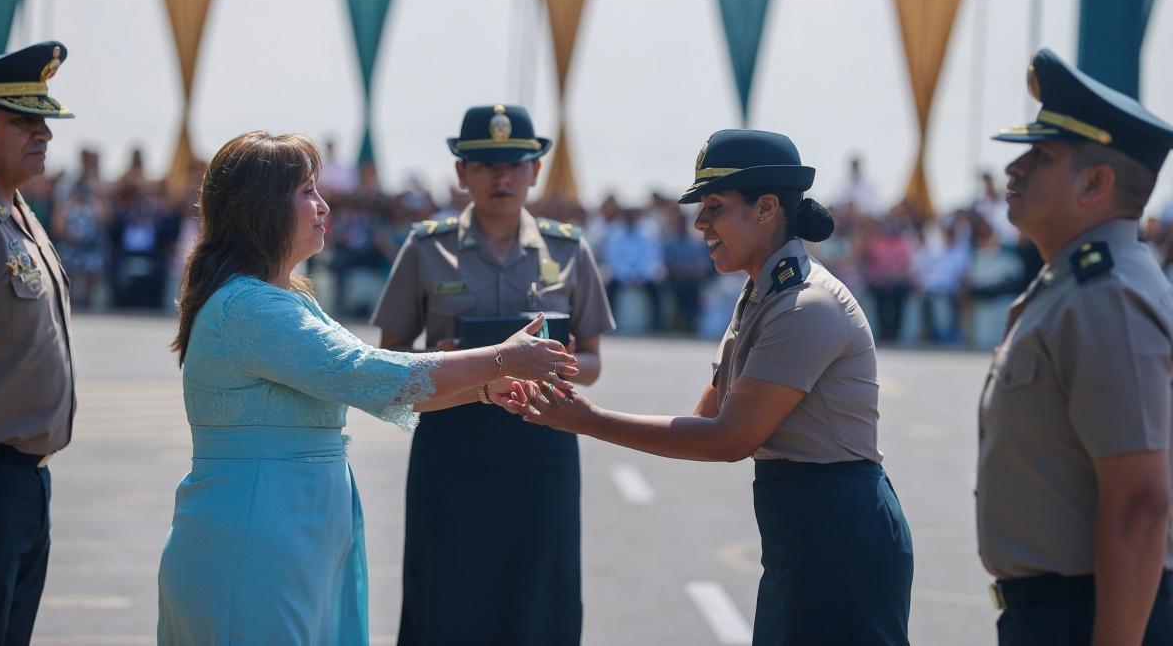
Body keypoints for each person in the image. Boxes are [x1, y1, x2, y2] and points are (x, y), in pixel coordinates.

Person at [156, 131, 577, 645]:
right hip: (256, 529)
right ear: (262, 207)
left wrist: (486, 388)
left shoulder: (282, 297)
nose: (323, 204)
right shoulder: (251, 308)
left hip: (290, 525)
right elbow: (369, 372)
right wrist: (498, 359)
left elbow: (374, 384)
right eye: (307, 191)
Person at [509, 129, 914, 645]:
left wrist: (588, 421)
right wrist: (573, 405)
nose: (700, 223)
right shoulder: (761, 295)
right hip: (805, 531)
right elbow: (708, 417)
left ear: (766, 208)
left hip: (840, 535)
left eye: (715, 207)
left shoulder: (803, 305)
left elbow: (729, 439)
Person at [372, 104, 615, 646]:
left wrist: (564, 361)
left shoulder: (569, 248)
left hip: (541, 443)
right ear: (461, 173)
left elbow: (594, 361)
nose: (500, 178)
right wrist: (448, 360)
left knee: (540, 588)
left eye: (514, 164)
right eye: (483, 165)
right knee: (448, 590)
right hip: (452, 441)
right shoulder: (425, 247)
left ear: (535, 171)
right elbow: (389, 359)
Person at [978, 48, 1173, 645]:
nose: (1015, 170)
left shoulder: (1106, 294)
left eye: (1040, 156)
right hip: (1062, 610)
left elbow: (1140, 501)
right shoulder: (1073, 282)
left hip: (1091, 614)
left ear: (1095, 183)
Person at [0, 41, 77, 646]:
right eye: (21, 120)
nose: (43, 134)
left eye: (43, 121)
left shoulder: (16, 212)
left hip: (24, 486)